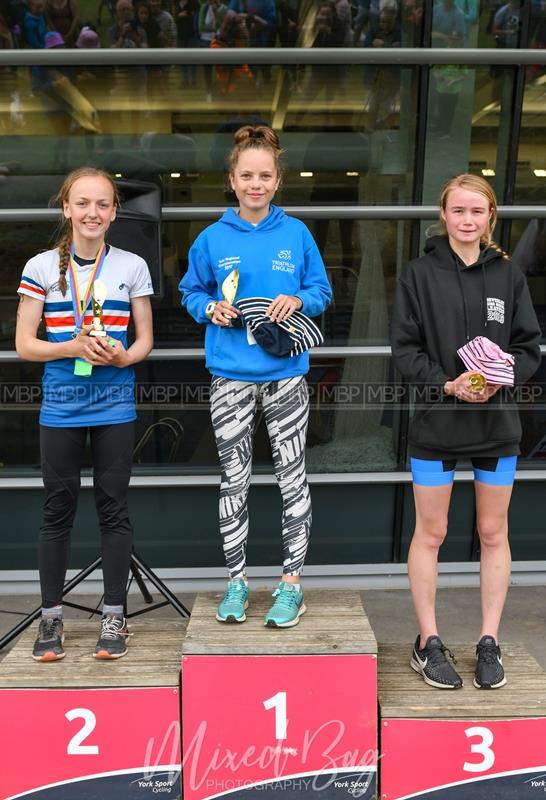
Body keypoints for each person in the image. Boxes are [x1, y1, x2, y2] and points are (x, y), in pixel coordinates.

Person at [390, 174, 541, 690]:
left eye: (477, 212)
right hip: (438, 422)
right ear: (444, 215)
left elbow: (529, 348)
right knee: (431, 533)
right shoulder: (418, 273)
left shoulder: (508, 277)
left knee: (493, 532)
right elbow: (405, 351)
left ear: (490, 217)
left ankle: (489, 642)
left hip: (497, 425)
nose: (467, 220)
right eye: (458, 211)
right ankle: (427, 641)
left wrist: (500, 377)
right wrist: (447, 384)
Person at [179, 125, 331, 628]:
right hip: (230, 377)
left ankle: (291, 586)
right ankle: (237, 583)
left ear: (278, 180)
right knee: (234, 480)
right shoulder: (211, 236)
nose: (256, 184)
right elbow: (189, 292)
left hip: (286, 374)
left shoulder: (297, 233)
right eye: (247, 175)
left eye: (265, 175)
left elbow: (321, 290)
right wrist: (210, 309)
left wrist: (300, 300)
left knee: (292, 478)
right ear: (232, 179)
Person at [15, 167, 154, 661]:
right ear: (66, 209)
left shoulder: (132, 265)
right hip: (62, 407)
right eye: (83, 203)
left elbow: (145, 342)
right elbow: (25, 345)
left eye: (102, 204)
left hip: (115, 405)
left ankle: (114, 617)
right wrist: (71, 345)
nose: (92, 213)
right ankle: (50, 619)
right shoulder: (39, 267)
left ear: (115, 211)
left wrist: (123, 357)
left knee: (113, 510)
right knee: (57, 510)